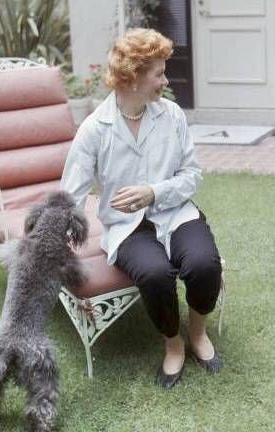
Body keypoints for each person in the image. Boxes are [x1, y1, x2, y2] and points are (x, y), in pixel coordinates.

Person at [60, 28, 222, 389]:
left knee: (203, 263)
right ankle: (174, 343)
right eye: (159, 73)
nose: (165, 80)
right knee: (153, 274)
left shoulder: (173, 116)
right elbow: (70, 194)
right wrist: (53, 240)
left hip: (175, 211)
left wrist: (154, 192)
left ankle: (198, 333)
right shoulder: (94, 130)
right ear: (132, 77)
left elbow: (192, 175)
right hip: (126, 226)